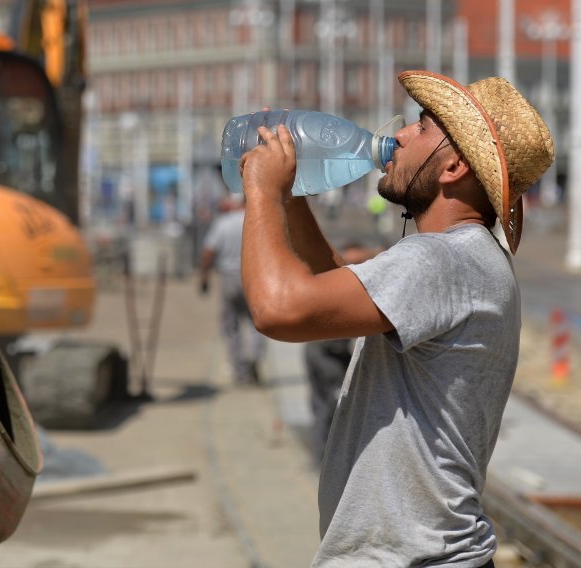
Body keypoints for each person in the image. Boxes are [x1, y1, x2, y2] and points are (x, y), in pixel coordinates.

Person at [239, 70, 554, 567]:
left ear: (453, 167)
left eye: (423, 127)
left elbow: (277, 310)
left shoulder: (440, 261)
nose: (400, 134)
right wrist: (290, 198)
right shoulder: (469, 259)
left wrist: (258, 193)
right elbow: (334, 286)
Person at [304, 241, 380, 467]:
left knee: (326, 406)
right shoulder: (340, 276)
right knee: (329, 405)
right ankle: (323, 461)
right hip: (325, 352)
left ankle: (324, 459)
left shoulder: (339, 277)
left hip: (327, 350)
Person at [199, 194, 266, 385]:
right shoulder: (259, 220)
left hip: (229, 276)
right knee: (257, 323)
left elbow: (208, 251)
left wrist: (204, 277)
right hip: (254, 275)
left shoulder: (223, 223)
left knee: (231, 326)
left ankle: (239, 370)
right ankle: (254, 357)